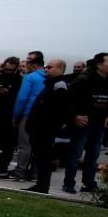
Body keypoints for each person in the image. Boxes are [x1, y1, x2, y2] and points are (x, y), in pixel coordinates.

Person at [23, 60, 70, 193]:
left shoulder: (59, 86)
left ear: (60, 69)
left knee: (44, 158)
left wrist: (46, 125)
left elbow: (59, 109)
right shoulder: (50, 84)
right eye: (45, 67)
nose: (46, 69)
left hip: (45, 130)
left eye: (50, 67)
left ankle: (43, 185)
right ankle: (40, 184)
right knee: (40, 157)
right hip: (39, 129)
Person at [63, 52, 108, 193]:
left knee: (93, 154)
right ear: (99, 65)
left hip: (99, 122)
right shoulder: (84, 79)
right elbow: (67, 100)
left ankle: (89, 182)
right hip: (83, 122)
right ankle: (68, 183)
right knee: (76, 153)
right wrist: (74, 116)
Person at [2, 51, 46, 180]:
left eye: (28, 60)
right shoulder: (48, 76)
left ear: (34, 63)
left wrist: (16, 115)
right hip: (42, 116)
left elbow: (22, 98)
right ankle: (35, 172)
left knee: (25, 144)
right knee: (38, 145)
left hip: (28, 113)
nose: (26, 62)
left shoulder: (30, 77)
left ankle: (20, 171)